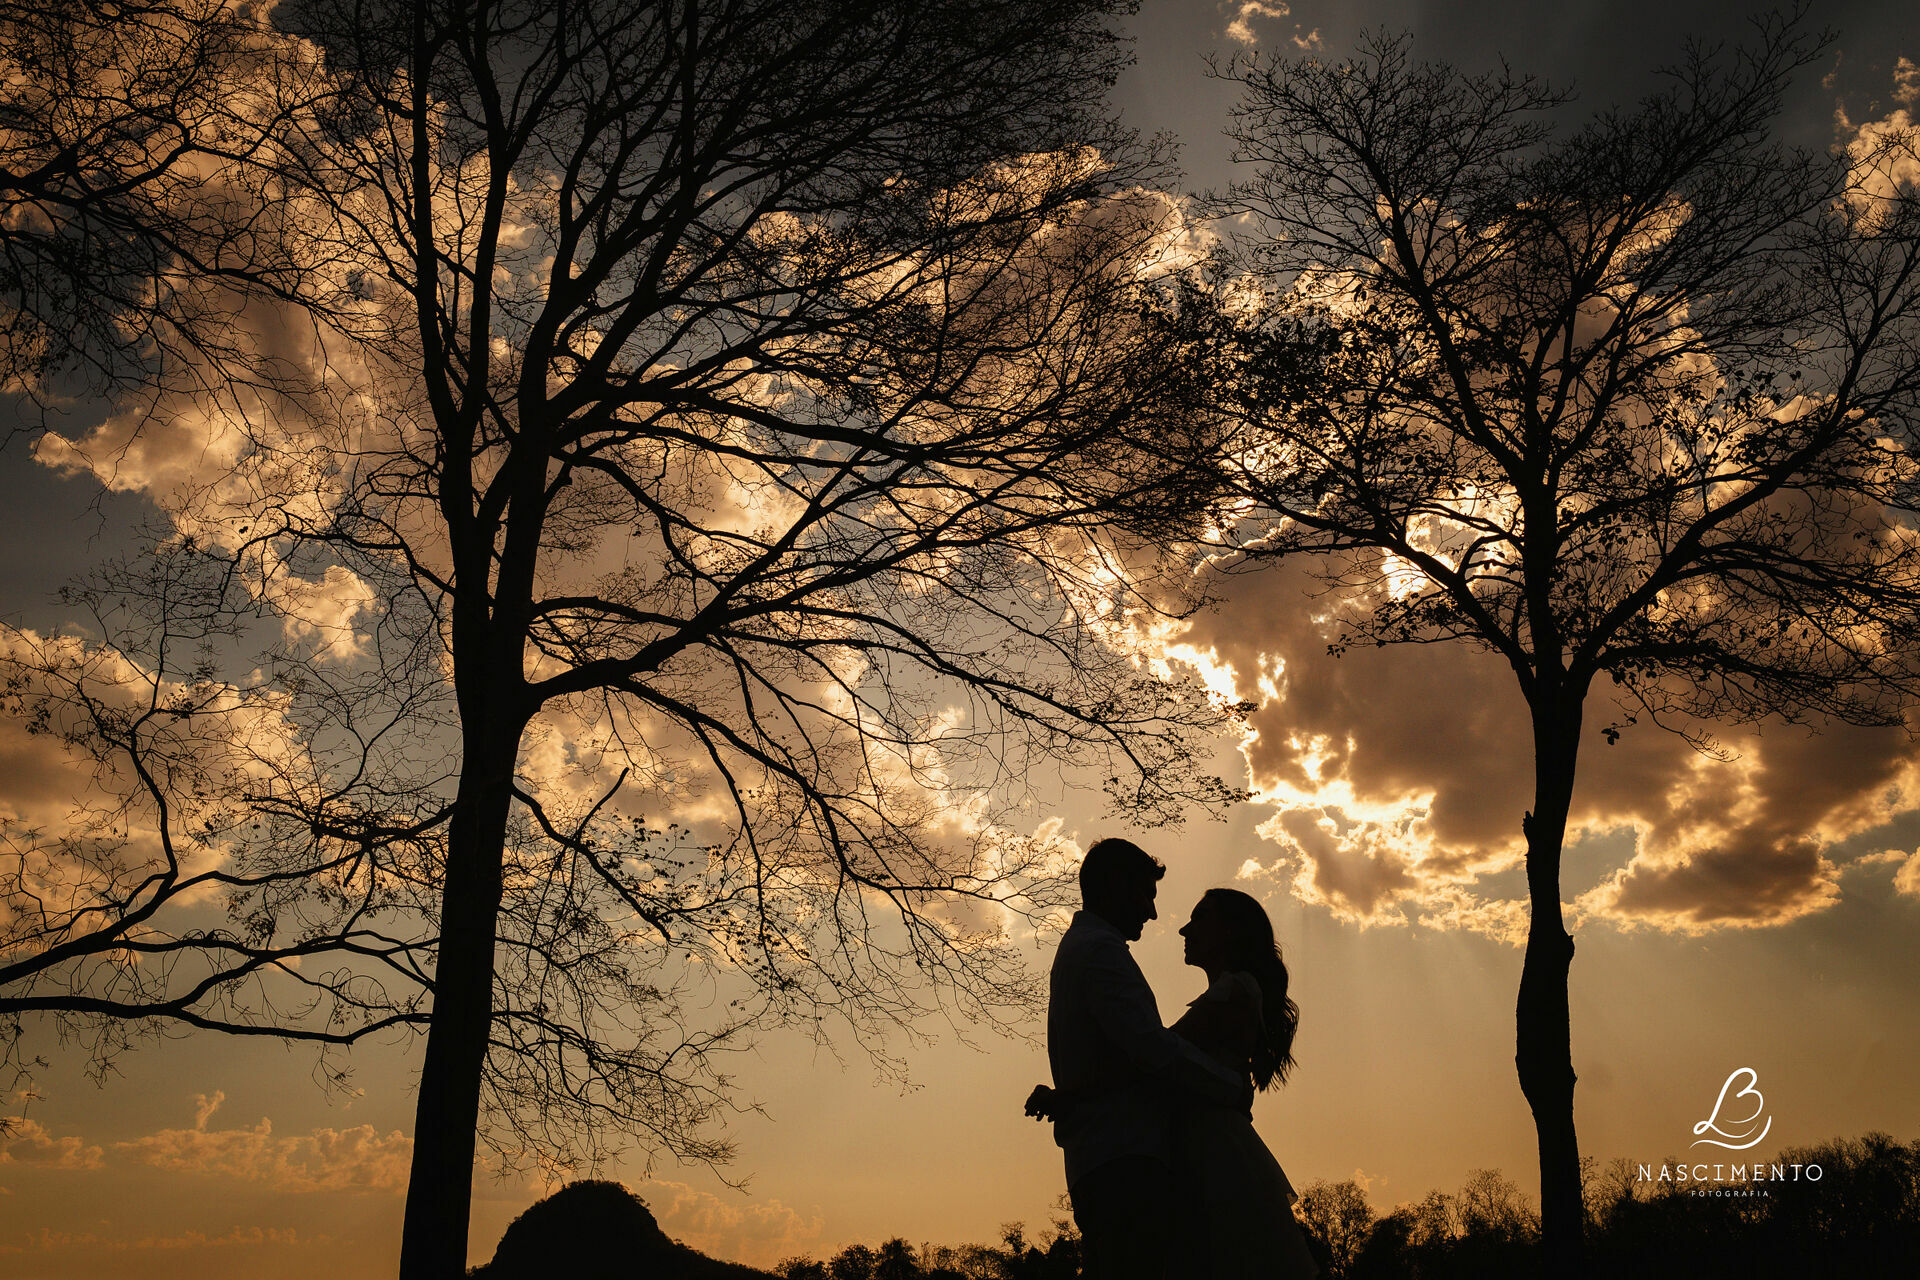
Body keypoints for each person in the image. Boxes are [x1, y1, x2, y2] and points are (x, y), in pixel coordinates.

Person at [1023, 838, 1246, 1280]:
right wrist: (1229, 1086)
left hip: (1106, 1157)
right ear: (1114, 886)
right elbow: (1153, 1051)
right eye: (1146, 895)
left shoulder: (1082, 948)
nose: (1152, 912)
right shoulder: (1100, 952)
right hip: (1123, 1158)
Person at [1169, 887, 1319, 1278]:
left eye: (1200, 918)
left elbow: (1158, 1052)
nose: (1185, 929)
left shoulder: (1235, 990)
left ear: (1231, 931)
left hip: (1216, 1152)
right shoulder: (1231, 991)